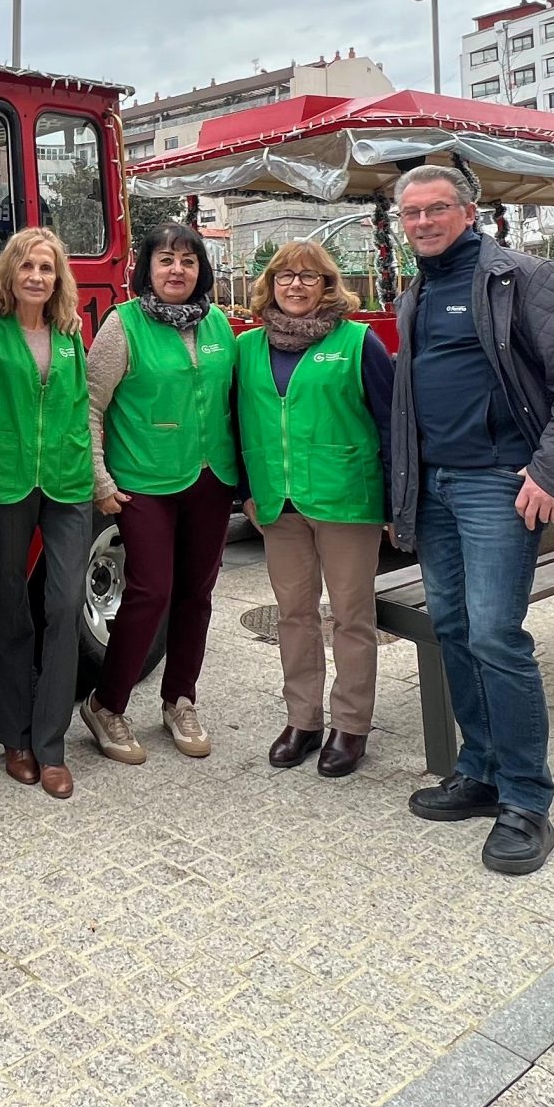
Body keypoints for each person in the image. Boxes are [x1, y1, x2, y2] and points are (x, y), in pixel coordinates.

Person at [385, 164, 554, 875]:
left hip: (499, 486)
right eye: (410, 214)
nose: (423, 223)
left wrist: (553, 474)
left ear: (469, 213)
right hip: (436, 488)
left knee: (497, 635)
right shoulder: (416, 291)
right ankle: (481, 771)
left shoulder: (524, 278)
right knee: (453, 628)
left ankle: (527, 800)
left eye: (437, 210)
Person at [79, 222, 239, 764]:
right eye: (166, 260)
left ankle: (180, 698)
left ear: (201, 270)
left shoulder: (220, 324)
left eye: (188, 261)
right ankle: (106, 703)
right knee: (151, 591)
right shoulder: (123, 325)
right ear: (146, 268)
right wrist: (99, 478)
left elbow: (236, 405)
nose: (177, 270)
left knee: (198, 593)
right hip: (143, 480)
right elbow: (91, 406)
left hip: (211, 478)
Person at [236, 240, 391, 778]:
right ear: (270, 285)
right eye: (284, 276)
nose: (296, 285)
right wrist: (244, 492)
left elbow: (391, 422)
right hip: (278, 503)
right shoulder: (247, 347)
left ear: (328, 285)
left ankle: (351, 725)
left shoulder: (357, 342)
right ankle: (302, 720)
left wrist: (397, 501)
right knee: (294, 616)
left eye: (309, 276)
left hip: (347, 500)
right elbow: (234, 423)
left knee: (351, 617)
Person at [0, 228, 94, 799]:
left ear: (57, 277)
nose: (36, 277)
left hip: (67, 483)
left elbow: (82, 408)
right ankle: (14, 739)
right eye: (26, 267)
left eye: (46, 268)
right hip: (7, 478)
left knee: (66, 603)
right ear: (9, 273)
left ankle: (51, 745)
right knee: (10, 604)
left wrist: (97, 477)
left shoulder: (71, 334)